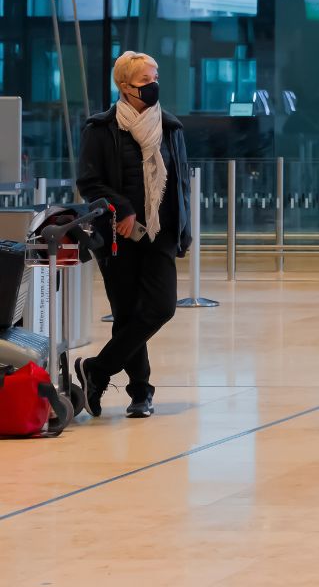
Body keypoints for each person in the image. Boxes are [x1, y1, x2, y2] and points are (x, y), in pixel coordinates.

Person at [73, 51, 190, 420]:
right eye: (145, 80)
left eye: (155, 78)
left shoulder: (170, 128)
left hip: (161, 233)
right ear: (124, 86)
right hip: (117, 236)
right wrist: (121, 208)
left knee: (161, 308)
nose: (153, 85)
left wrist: (184, 231)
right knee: (126, 313)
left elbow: (181, 183)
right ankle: (141, 392)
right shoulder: (100, 128)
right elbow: (89, 181)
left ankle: (96, 370)